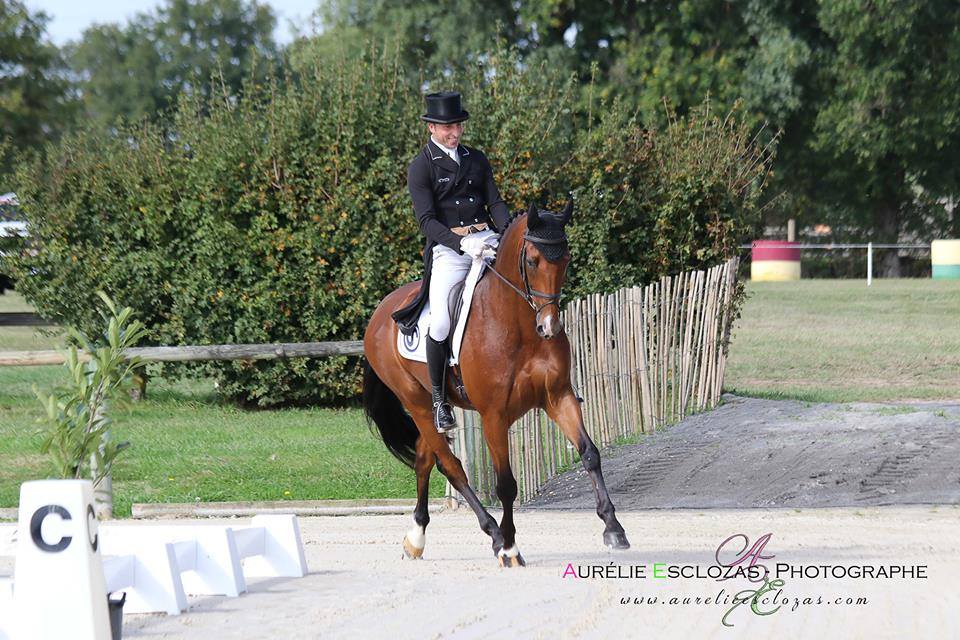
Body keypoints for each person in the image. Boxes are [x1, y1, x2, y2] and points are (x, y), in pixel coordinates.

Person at [391, 91, 511, 432]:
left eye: (457, 125)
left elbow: (495, 202)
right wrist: (461, 243)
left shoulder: (476, 158)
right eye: (447, 127)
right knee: (441, 321)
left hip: (487, 240)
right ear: (431, 128)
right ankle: (441, 400)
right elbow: (427, 221)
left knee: (525, 288)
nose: (454, 133)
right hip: (450, 250)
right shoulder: (421, 167)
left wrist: (506, 230)